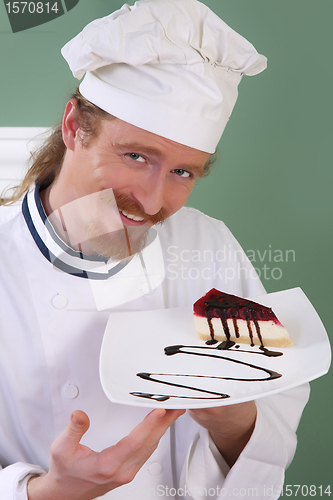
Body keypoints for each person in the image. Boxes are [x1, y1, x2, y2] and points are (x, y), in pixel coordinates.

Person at [0, 0, 310, 499]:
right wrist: (46, 491)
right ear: (74, 127)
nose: (152, 200)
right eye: (136, 156)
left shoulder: (206, 245)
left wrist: (235, 423)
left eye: (183, 172)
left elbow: (276, 397)